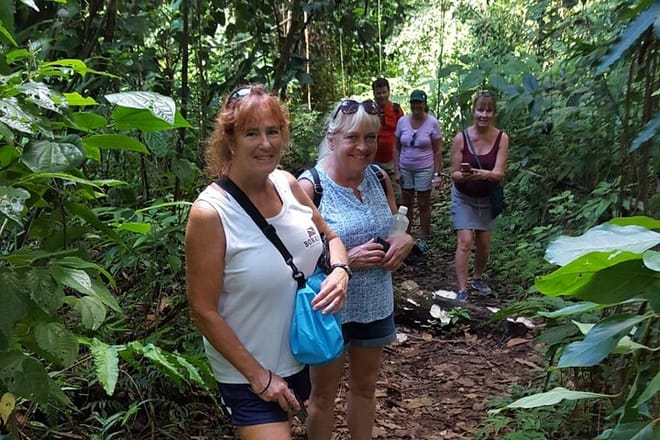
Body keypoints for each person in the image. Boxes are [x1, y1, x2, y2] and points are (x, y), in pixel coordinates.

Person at [185, 84, 350, 440]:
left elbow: (331, 238)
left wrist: (341, 270)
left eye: (272, 131)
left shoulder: (288, 184)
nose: (266, 143)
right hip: (248, 374)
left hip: (302, 354)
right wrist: (259, 377)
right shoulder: (211, 213)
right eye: (252, 133)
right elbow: (202, 309)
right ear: (230, 139)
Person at [298, 99, 414, 440]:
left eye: (370, 138)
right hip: (329, 307)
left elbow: (396, 226)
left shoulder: (378, 177)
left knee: (365, 389)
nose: (363, 147)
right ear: (332, 139)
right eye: (352, 137)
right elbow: (293, 258)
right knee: (322, 397)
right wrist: (345, 258)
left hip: (375, 303)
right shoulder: (311, 186)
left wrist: (405, 240)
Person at [449, 90, 509, 302]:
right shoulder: (461, 138)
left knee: (483, 244)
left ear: (494, 113)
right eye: (480, 109)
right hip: (463, 196)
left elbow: (499, 173)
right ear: (473, 111)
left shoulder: (501, 138)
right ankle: (462, 289)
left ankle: (477, 278)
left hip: (487, 198)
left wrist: (479, 174)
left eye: (489, 110)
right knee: (465, 241)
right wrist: (466, 176)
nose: (484, 114)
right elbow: (454, 174)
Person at [393, 89, 443, 252]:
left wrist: (437, 174)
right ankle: (405, 237)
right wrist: (397, 170)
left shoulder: (432, 123)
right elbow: (396, 147)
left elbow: (437, 150)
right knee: (406, 203)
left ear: (424, 104)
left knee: (423, 204)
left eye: (419, 103)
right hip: (405, 167)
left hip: (424, 168)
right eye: (413, 103)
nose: (416, 106)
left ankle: (424, 237)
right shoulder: (402, 122)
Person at [372, 77, 404, 200]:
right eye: (378, 93)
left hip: (393, 161)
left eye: (384, 92)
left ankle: (398, 212)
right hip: (373, 160)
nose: (382, 96)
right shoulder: (369, 110)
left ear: (389, 92)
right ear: (374, 94)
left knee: (397, 196)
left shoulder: (396, 109)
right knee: (376, 195)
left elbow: (403, 132)